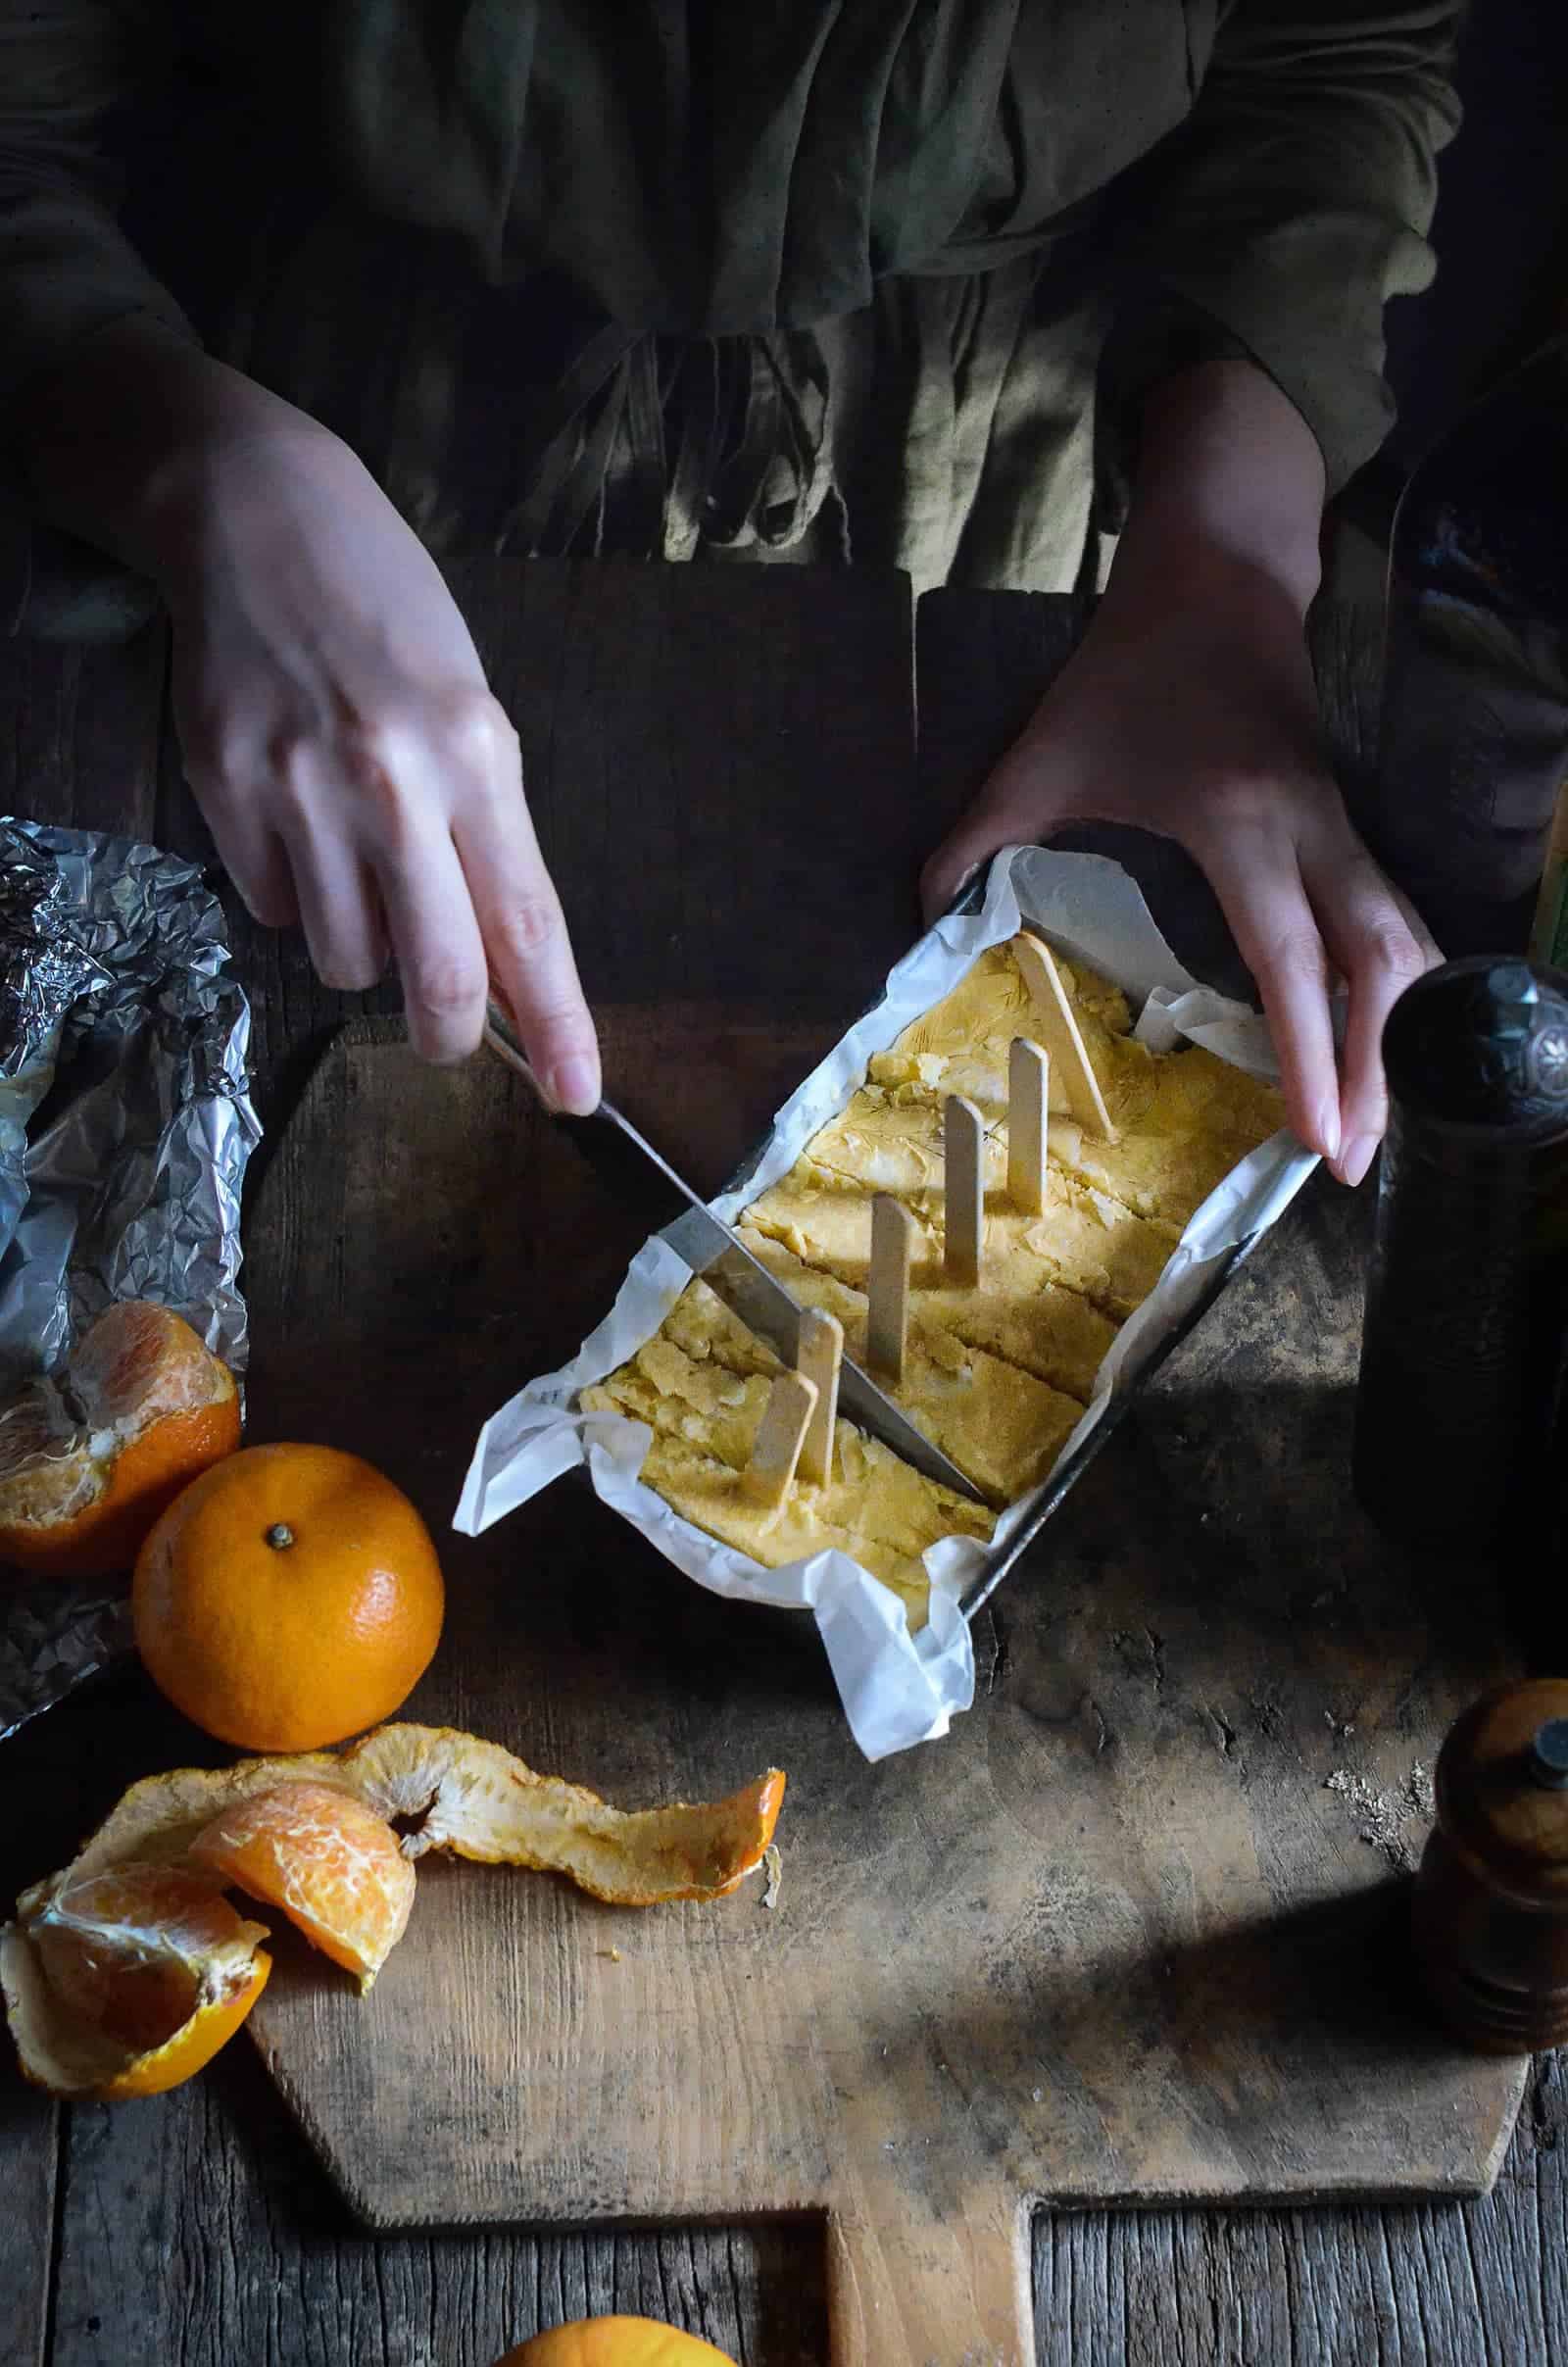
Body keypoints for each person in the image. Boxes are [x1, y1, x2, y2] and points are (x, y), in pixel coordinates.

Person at [0, 3, 1458, 1184]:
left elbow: (1331, 67)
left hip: (1042, 567)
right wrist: (188, 460)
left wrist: (1228, 569)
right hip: (313, 510)